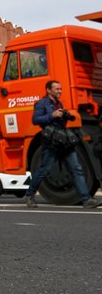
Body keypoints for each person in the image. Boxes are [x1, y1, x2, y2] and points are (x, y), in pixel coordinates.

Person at [24, 80, 102, 208]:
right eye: (57, 89)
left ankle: (86, 199)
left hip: (63, 140)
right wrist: (52, 115)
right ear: (48, 90)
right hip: (50, 142)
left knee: (76, 168)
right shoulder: (41, 104)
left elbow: (60, 120)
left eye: (60, 89)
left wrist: (66, 116)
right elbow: (35, 119)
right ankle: (29, 194)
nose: (60, 91)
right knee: (44, 169)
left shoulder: (59, 103)